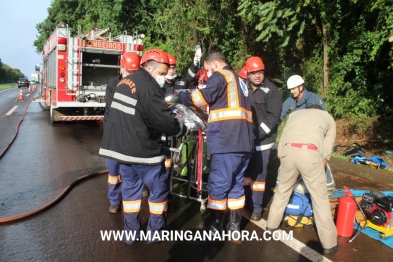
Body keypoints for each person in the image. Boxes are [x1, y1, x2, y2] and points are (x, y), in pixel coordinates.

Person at [99, 48, 187, 245]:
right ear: (149, 67)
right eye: (162, 73)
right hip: (143, 153)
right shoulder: (149, 87)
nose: (164, 78)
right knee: (158, 192)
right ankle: (155, 233)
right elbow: (163, 121)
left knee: (130, 195)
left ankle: (131, 234)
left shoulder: (125, 82)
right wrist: (180, 128)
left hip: (122, 151)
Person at [178, 50, 254, 233]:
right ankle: (234, 227)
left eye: (207, 70)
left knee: (218, 184)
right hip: (243, 142)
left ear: (213, 64)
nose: (209, 74)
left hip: (226, 141)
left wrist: (181, 95)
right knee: (236, 185)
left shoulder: (221, 76)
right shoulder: (239, 81)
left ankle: (215, 227)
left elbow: (200, 98)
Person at [266, 104, 338, 255]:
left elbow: (283, 136)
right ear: (321, 110)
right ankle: (329, 243)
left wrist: (284, 159)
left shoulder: (294, 115)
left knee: (282, 191)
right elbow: (326, 152)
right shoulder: (328, 118)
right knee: (320, 198)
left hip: (286, 152)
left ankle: (271, 227)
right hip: (309, 153)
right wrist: (318, 172)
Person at [243, 56, 282, 221]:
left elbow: (272, 118)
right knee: (244, 174)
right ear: (248, 73)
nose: (257, 75)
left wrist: (256, 135)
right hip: (245, 140)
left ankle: (256, 209)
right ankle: (244, 203)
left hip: (262, 142)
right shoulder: (243, 88)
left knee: (259, 176)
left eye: (260, 72)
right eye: (254, 72)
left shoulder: (272, 91)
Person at [103, 52, 140, 214]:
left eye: (134, 72)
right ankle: (114, 200)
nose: (132, 76)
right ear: (122, 67)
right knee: (114, 170)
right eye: (129, 72)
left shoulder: (140, 84)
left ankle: (129, 199)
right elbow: (115, 110)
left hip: (132, 134)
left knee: (132, 170)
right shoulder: (113, 84)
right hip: (114, 133)